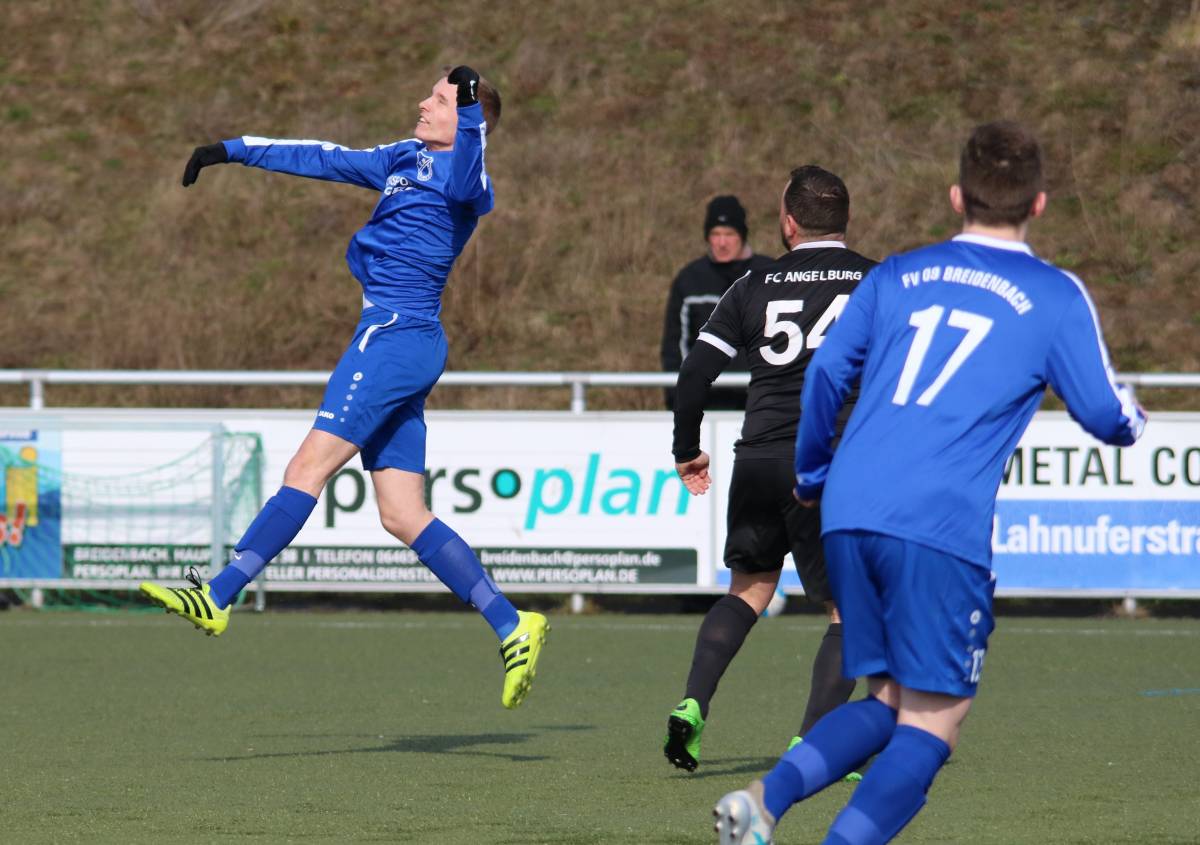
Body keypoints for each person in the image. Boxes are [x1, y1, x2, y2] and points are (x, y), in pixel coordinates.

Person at [713, 122, 1146, 844]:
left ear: (956, 197)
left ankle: (765, 797)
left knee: (887, 701)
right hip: (937, 523)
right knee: (933, 723)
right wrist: (1137, 417)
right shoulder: (1052, 294)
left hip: (850, 507)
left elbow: (827, 373)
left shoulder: (895, 274)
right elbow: (1108, 416)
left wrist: (814, 474)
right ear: (1039, 204)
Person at [139, 66, 549, 710]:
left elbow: (471, 161)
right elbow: (327, 157)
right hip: (405, 340)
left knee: (307, 468)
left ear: (466, 116)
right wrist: (233, 150)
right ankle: (511, 622)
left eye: (440, 98)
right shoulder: (404, 156)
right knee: (401, 513)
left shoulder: (468, 177)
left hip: (393, 336)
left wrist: (470, 108)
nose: (423, 102)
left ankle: (217, 593)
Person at [665, 166, 876, 773]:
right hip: (832, 464)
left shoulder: (755, 282)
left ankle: (692, 702)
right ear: (846, 220)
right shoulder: (878, 282)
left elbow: (694, 374)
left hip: (758, 457)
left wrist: (687, 449)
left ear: (788, 223)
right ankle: (812, 742)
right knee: (850, 610)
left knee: (751, 588)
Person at [661, 196, 773, 410]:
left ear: (742, 235)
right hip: (705, 405)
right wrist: (679, 401)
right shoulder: (689, 280)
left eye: (729, 234)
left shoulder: (769, 274)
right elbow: (674, 347)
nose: (722, 243)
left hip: (760, 404)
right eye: (715, 234)